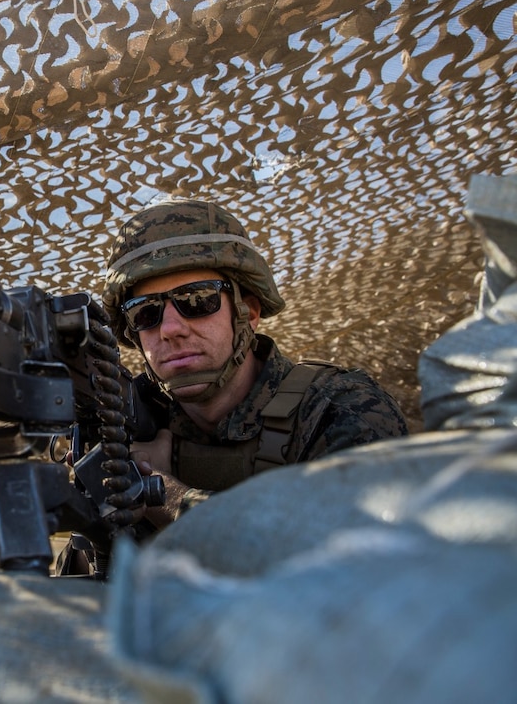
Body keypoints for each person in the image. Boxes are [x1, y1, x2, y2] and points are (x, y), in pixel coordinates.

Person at [101, 199, 410, 532]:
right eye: (145, 312)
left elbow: (358, 548)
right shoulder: (126, 421)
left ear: (247, 312)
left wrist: (168, 499)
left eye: (197, 299)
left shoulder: (340, 409)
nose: (170, 329)